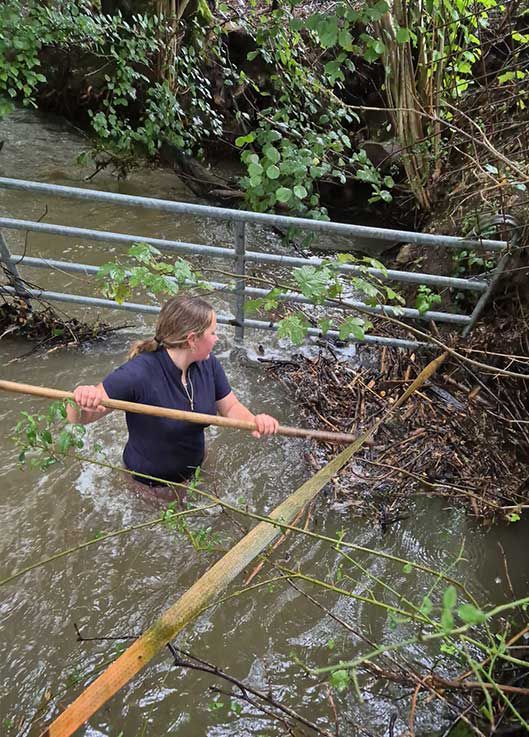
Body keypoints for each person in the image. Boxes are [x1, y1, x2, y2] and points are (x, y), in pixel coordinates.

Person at [67, 294, 279, 487]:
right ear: (192, 340)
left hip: (196, 469)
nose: (217, 339)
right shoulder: (138, 373)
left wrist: (254, 421)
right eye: (212, 333)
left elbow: (230, 407)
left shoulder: (208, 364)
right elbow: (80, 418)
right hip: (150, 485)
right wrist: (81, 399)